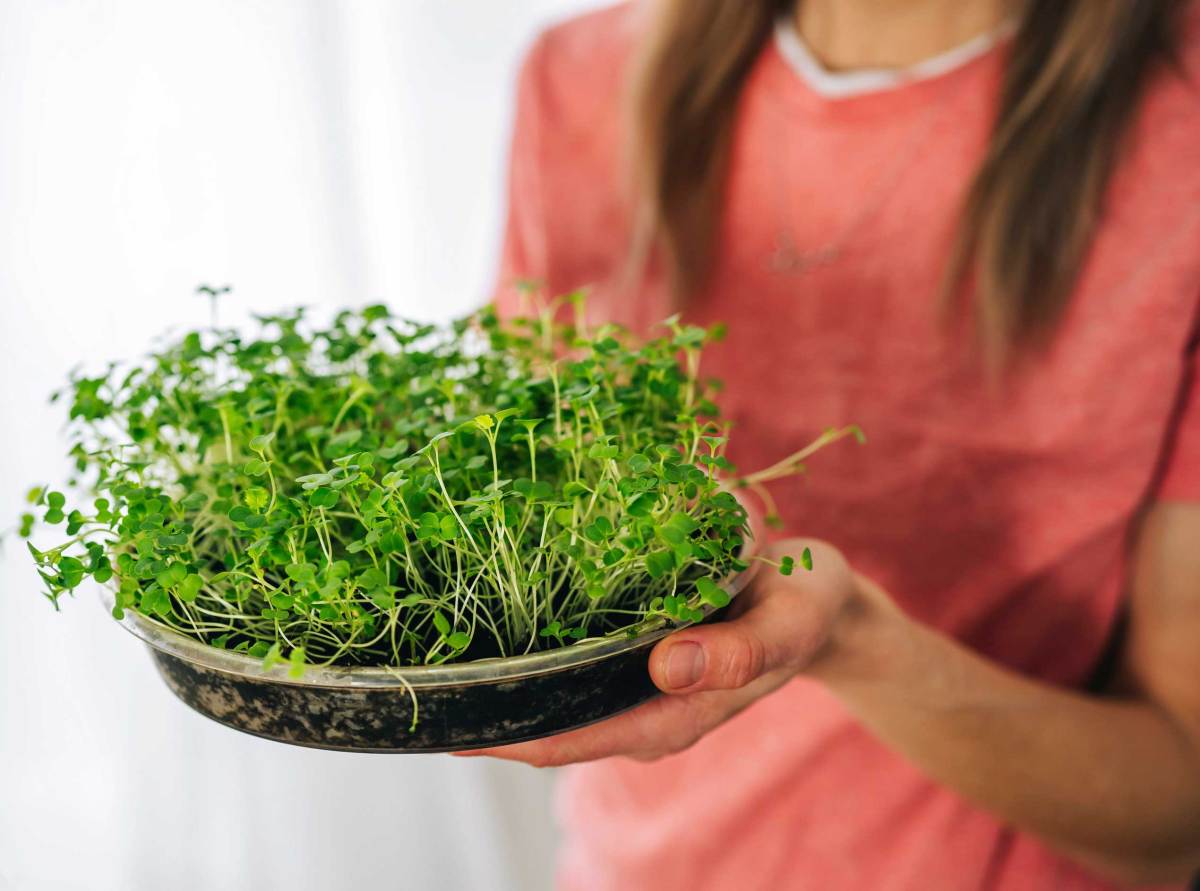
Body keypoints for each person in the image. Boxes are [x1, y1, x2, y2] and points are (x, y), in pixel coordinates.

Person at [457, 1, 1200, 888]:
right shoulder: (581, 76)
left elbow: (1178, 804)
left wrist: (850, 638)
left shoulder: (1174, 129)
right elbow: (507, 481)